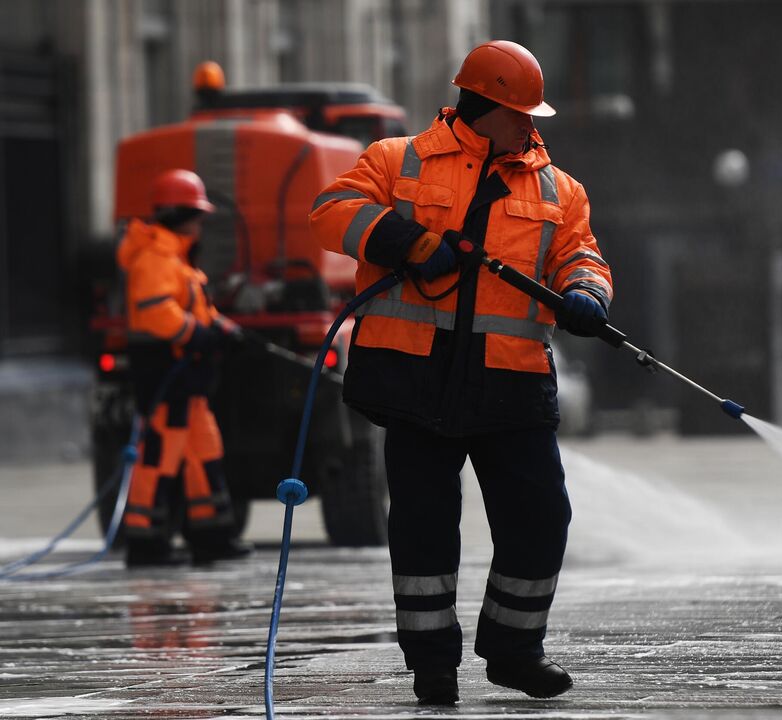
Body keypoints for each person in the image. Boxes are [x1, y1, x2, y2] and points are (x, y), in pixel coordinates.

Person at [310, 40, 613, 705]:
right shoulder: (398, 160)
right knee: (422, 526)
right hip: (414, 381)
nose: (533, 125)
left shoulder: (558, 188)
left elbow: (580, 255)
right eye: (523, 112)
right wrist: (412, 244)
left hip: (510, 384)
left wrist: (587, 296)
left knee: (540, 518)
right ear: (489, 106)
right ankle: (432, 665)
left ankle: (513, 650)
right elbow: (332, 211)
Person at [117, 169, 253, 568]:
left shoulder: (175, 256)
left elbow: (196, 307)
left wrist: (225, 329)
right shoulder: (156, 257)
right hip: (166, 377)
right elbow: (158, 312)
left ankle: (211, 538)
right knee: (159, 457)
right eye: (195, 214)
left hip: (186, 382)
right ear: (178, 214)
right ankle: (146, 543)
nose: (200, 222)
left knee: (203, 453)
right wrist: (198, 335)